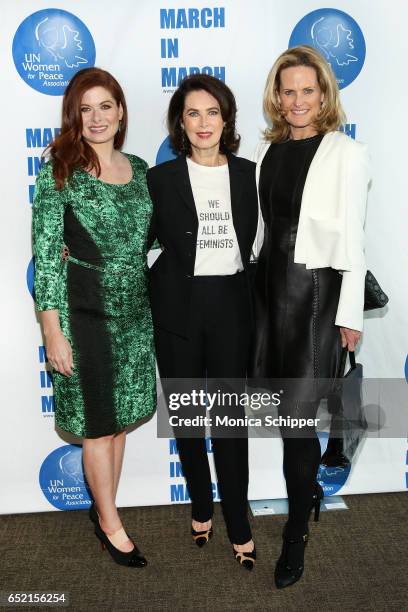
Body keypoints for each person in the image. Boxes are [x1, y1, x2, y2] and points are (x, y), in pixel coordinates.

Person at [250, 46, 370, 588]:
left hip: (317, 298)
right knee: (284, 417)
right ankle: (308, 493)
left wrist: (350, 316)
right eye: (288, 90)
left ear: (324, 94)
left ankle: (296, 531)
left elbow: (353, 239)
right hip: (270, 295)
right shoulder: (269, 151)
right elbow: (263, 230)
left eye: (307, 90)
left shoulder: (346, 152)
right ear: (277, 96)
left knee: (297, 423)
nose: (297, 101)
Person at [32, 67, 156, 567]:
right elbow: (45, 256)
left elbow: (159, 239)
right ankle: (109, 523)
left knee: (120, 421)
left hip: (135, 315)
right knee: (99, 425)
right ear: (75, 117)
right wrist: (51, 331)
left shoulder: (143, 170)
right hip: (85, 314)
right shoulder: (60, 172)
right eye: (86, 109)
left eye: (105, 106)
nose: (97, 117)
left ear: (121, 111)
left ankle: (107, 507)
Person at [147, 74, 258, 569]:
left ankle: (237, 517)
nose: (204, 122)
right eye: (193, 113)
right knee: (190, 419)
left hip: (233, 308)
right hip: (178, 312)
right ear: (181, 123)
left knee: (231, 423)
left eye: (212, 112)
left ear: (227, 118)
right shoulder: (160, 179)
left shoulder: (249, 173)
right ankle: (198, 504)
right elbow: (137, 241)